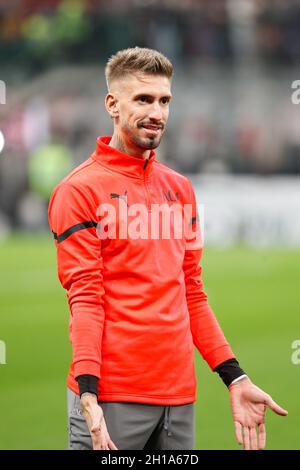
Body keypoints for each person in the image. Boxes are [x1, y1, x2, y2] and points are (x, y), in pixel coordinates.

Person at [48, 47, 288, 451]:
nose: (157, 112)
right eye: (143, 99)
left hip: (179, 400)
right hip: (111, 399)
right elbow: (85, 297)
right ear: (112, 104)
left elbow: (191, 291)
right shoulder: (78, 191)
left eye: (164, 101)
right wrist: (88, 393)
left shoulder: (180, 190)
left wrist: (236, 377)